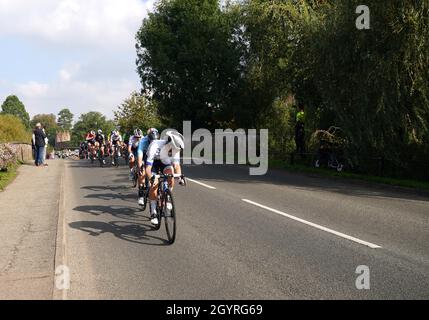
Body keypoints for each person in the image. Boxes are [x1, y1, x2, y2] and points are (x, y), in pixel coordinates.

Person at [144, 130, 184, 225]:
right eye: (172, 149)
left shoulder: (175, 148)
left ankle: (167, 196)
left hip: (164, 163)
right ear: (168, 144)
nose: (174, 152)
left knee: (171, 174)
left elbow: (176, 166)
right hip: (153, 163)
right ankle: (153, 212)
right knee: (154, 185)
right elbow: (148, 169)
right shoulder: (155, 145)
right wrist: (151, 179)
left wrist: (180, 178)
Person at [137, 128, 160, 201]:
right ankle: (141, 194)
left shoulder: (158, 140)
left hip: (154, 156)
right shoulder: (143, 141)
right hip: (144, 155)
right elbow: (140, 156)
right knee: (142, 172)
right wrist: (140, 167)